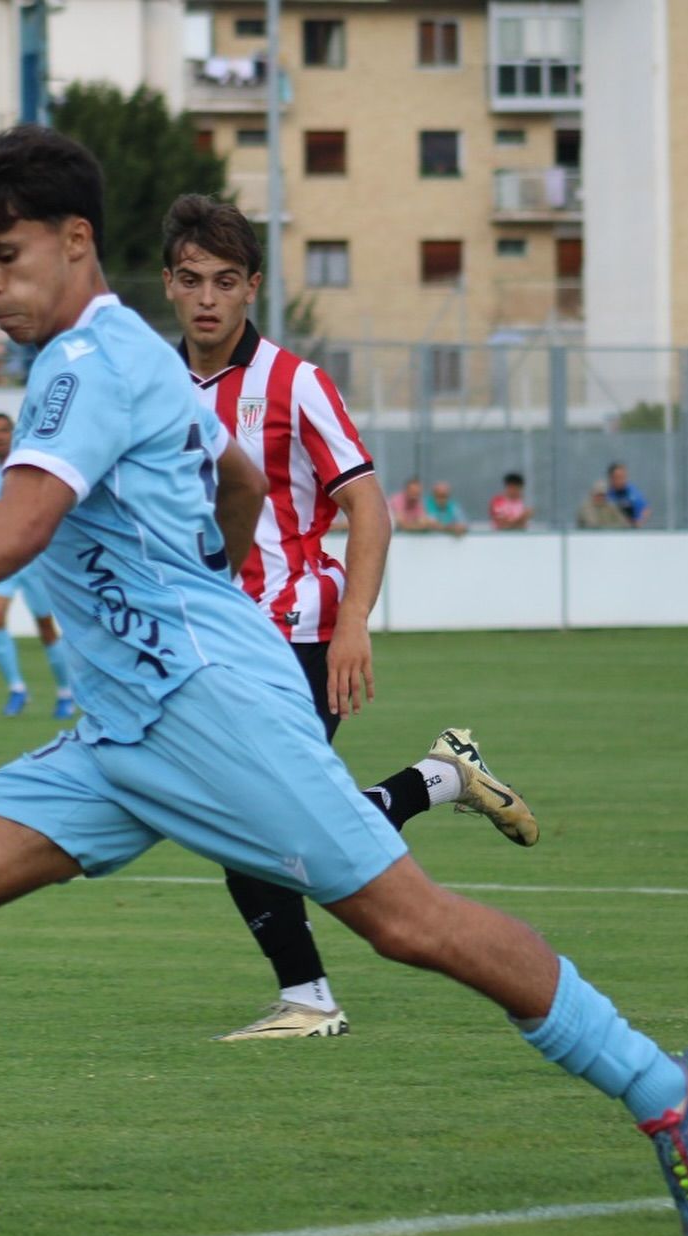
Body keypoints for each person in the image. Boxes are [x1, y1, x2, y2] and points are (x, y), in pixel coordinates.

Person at [0, 125, 688, 1236]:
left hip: (211, 711)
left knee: (407, 926)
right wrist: (216, 563)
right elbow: (237, 475)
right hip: (122, 731)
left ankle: (665, 1090)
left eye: (5, 255)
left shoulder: (94, 363)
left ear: (75, 241)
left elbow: (28, 521)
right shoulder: (130, 356)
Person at [162, 194, 536, 1040]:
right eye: (192, 281)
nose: (209, 299)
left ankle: (310, 999)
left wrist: (354, 621)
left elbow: (367, 505)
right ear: (169, 286)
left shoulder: (295, 382)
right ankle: (441, 778)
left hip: (298, 632)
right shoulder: (152, 386)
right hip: (207, 641)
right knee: (275, 820)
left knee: (248, 818)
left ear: (253, 286)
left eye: (226, 281)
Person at [0, 411, 75, 719]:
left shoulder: (28, 466)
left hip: (32, 559)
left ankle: (65, 691)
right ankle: (17, 689)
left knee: (45, 628)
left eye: (4, 430)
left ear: (13, 433)